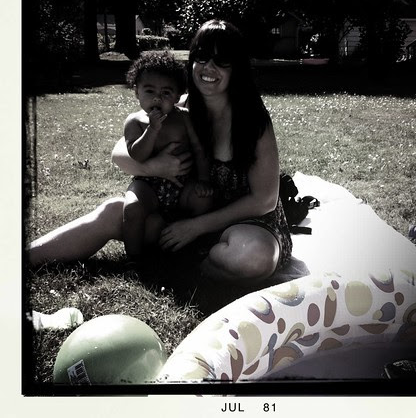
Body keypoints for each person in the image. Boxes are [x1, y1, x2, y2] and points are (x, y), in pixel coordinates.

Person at [28, 20, 292, 283]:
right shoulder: (177, 106)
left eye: (221, 60)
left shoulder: (252, 120)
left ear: (237, 67)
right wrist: (154, 167)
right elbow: (119, 153)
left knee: (254, 255)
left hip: (244, 226)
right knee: (114, 211)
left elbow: (265, 200)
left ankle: (189, 267)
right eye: (201, 57)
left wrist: (195, 227)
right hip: (180, 217)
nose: (208, 67)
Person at [121, 51, 212, 260]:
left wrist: (203, 179)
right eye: (149, 91)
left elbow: (199, 150)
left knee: (203, 199)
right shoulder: (134, 122)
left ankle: (197, 249)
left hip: (182, 183)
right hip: (147, 185)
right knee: (132, 208)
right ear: (136, 92)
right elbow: (137, 155)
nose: (157, 98)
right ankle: (134, 259)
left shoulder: (184, 118)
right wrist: (152, 130)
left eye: (166, 93)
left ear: (177, 97)